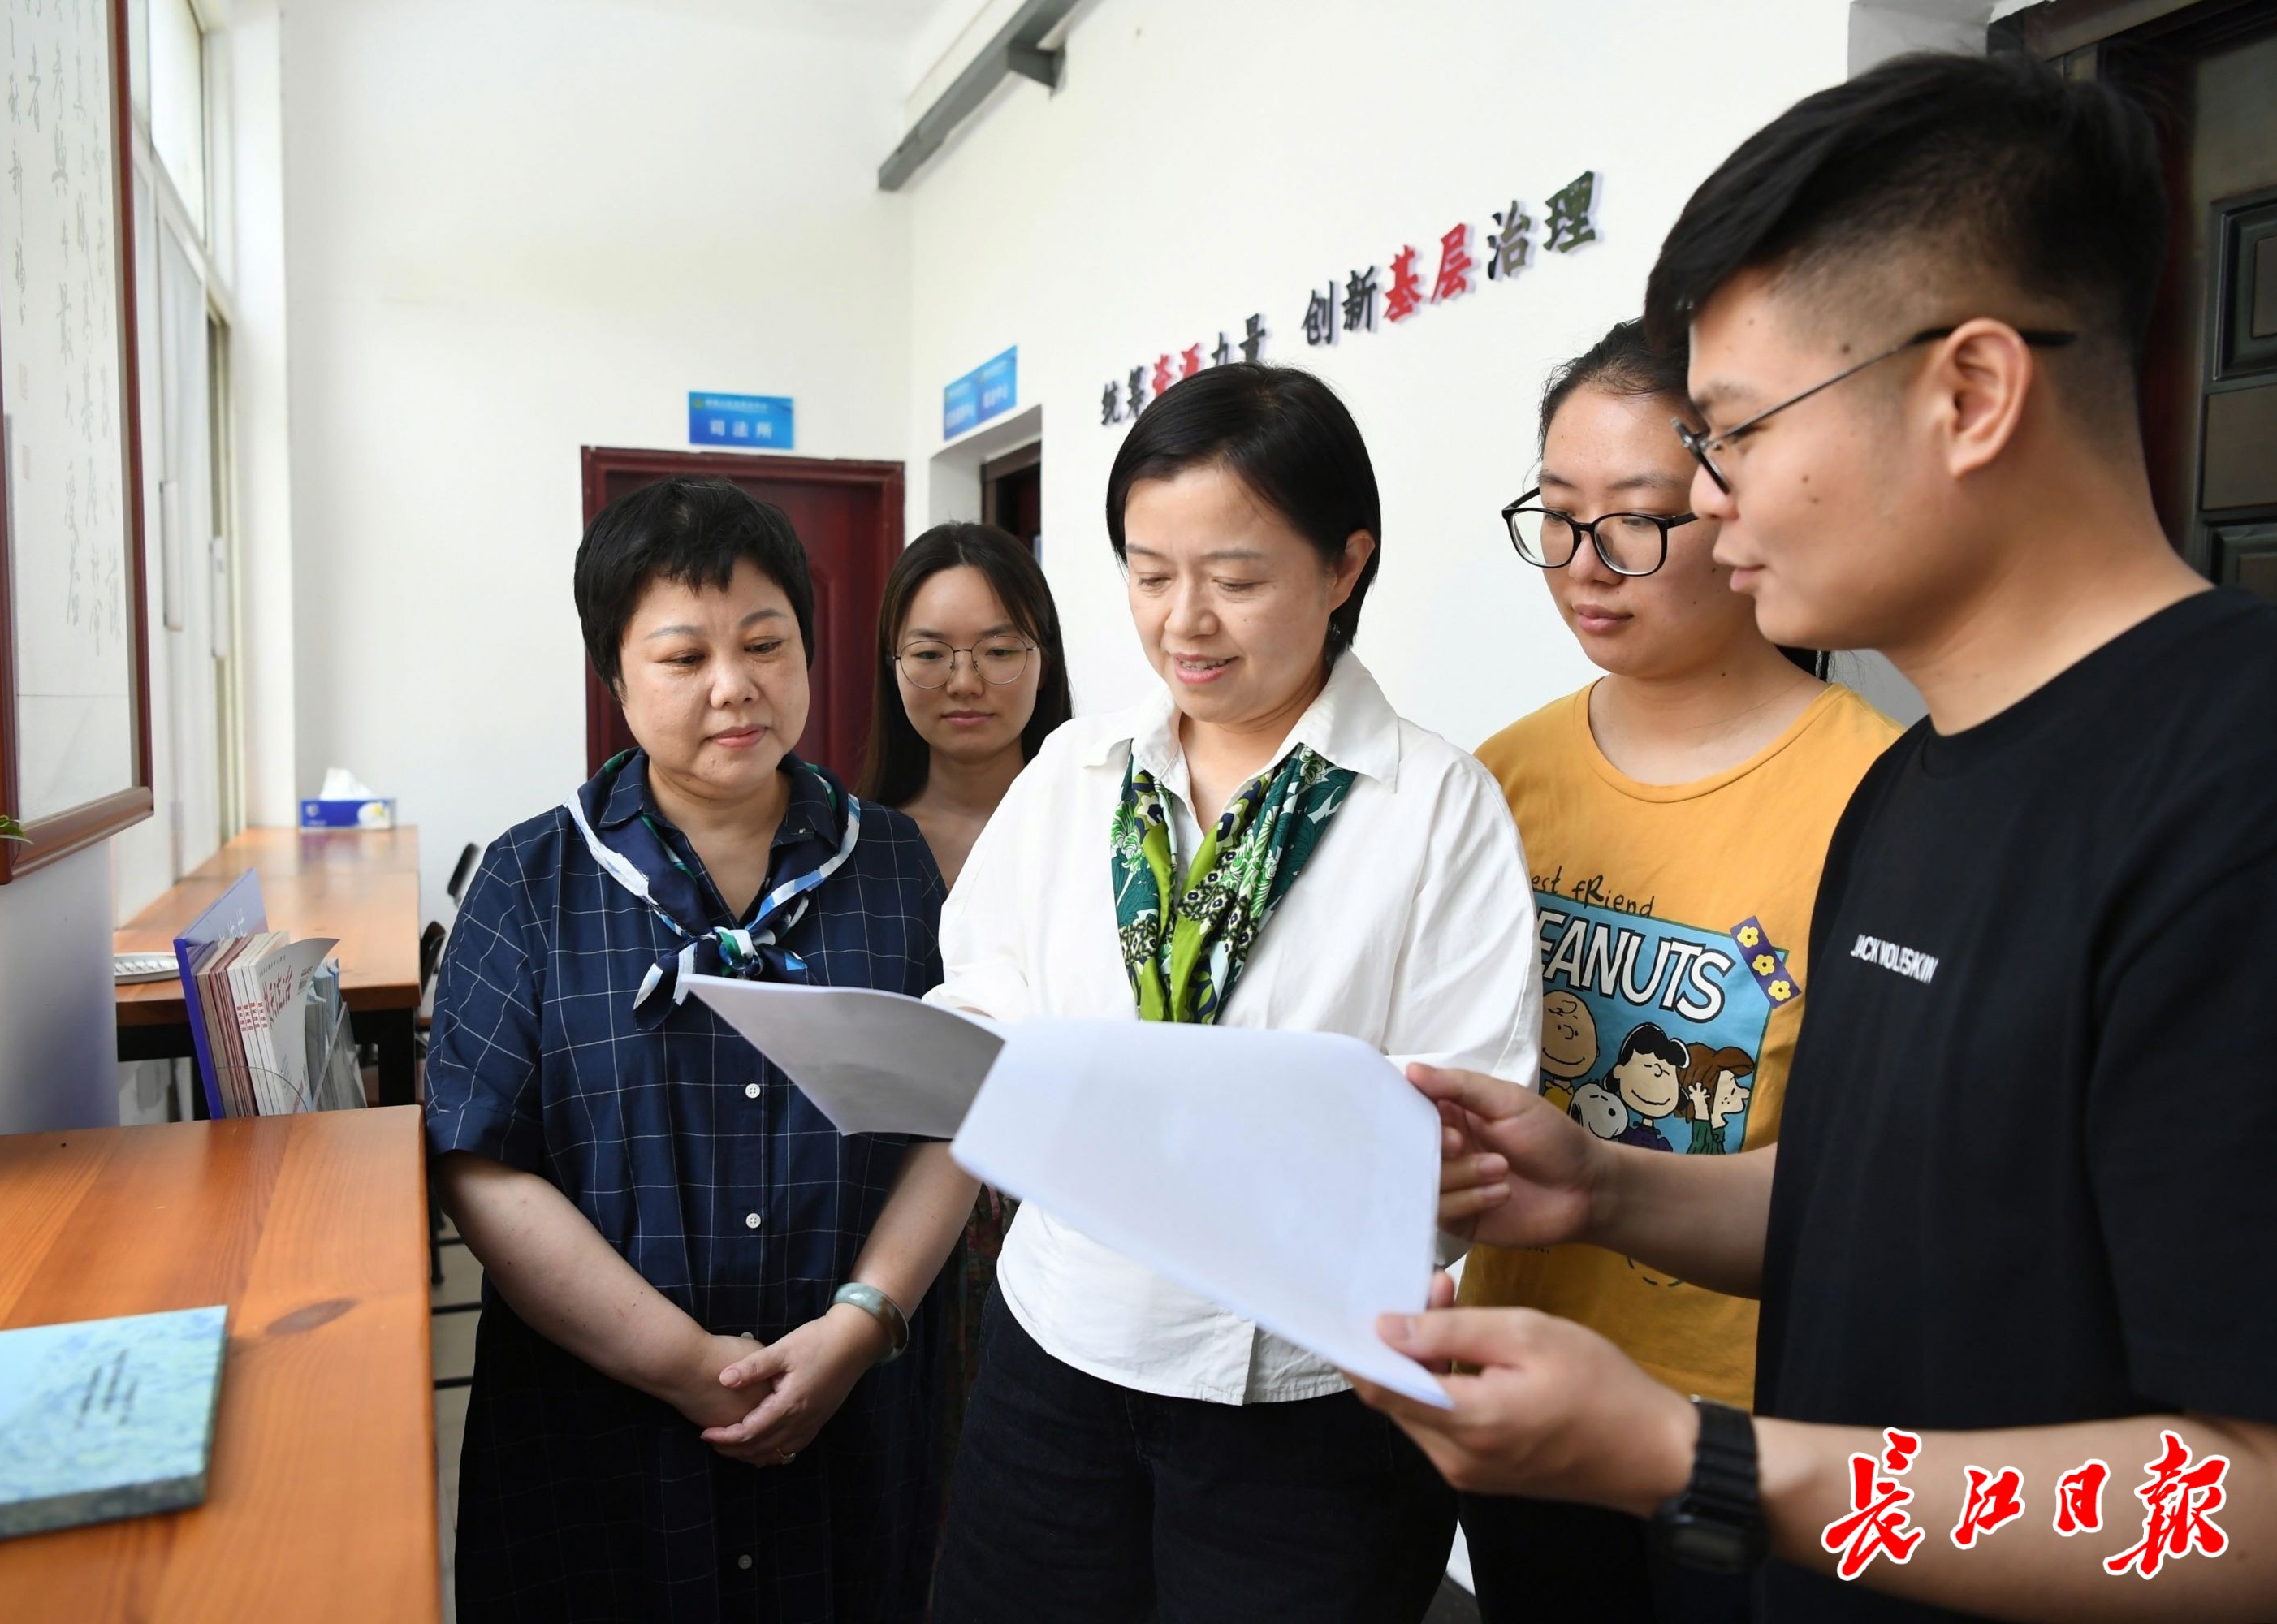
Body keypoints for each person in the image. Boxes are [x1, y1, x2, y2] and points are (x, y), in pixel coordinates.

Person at [1352, 51, 2277, 1623]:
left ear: (1969, 395)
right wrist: (1602, 1187)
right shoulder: (1914, 785)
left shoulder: (2231, 795)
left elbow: (2243, 1501)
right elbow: (1873, 1205)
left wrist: (1694, 1458)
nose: (1710, 507)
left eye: (1734, 432)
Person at [924, 362, 1544, 1622]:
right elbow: (985, 973)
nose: (1185, 624)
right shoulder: (1079, 772)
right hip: (1058, 1354)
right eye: (1150, 575)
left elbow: (1467, 1118)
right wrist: (972, 1053)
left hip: (1307, 1406)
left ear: (1345, 565)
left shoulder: (1432, 807)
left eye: (1237, 579)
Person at [426, 476, 977, 1622]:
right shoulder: (533, 880)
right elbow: (483, 1166)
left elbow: (956, 1116)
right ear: (615, 676)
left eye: (766, 643)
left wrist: (859, 1325)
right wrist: (687, 1367)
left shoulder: (892, 867)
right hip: (601, 1435)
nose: (736, 686)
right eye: (684, 657)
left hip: (854, 1413)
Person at [1454, 317, 1899, 1623]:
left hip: (1748, 1423)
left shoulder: (1875, 791)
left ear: (1736, 506)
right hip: (1525, 1378)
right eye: (1557, 517)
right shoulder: (1498, 779)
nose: (1585, 567)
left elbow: (1871, 1172)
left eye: (1638, 522)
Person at [856, 521, 1073, 1481]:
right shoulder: (854, 846)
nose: (965, 680)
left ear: (1043, 656)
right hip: (887, 1213)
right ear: (891, 664)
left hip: (1061, 1213)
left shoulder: (1105, 831)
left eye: (997, 649)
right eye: (931, 652)